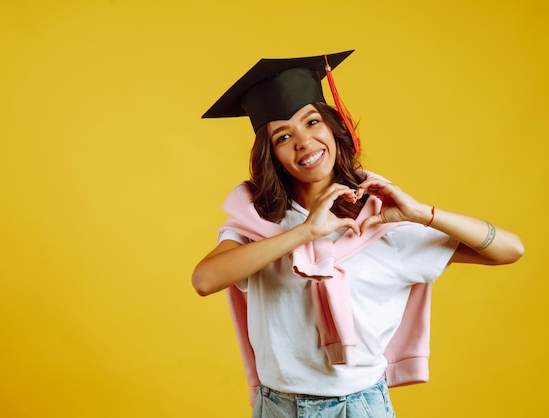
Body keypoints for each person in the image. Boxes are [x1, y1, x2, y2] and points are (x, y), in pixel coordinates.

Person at [192, 50, 524, 418]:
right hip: (278, 407)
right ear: (272, 154)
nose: (303, 142)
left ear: (335, 128)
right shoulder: (258, 222)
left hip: (361, 407)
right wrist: (304, 232)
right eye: (284, 136)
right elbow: (205, 279)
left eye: (312, 122)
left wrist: (423, 214)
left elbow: (510, 249)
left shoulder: (382, 221)